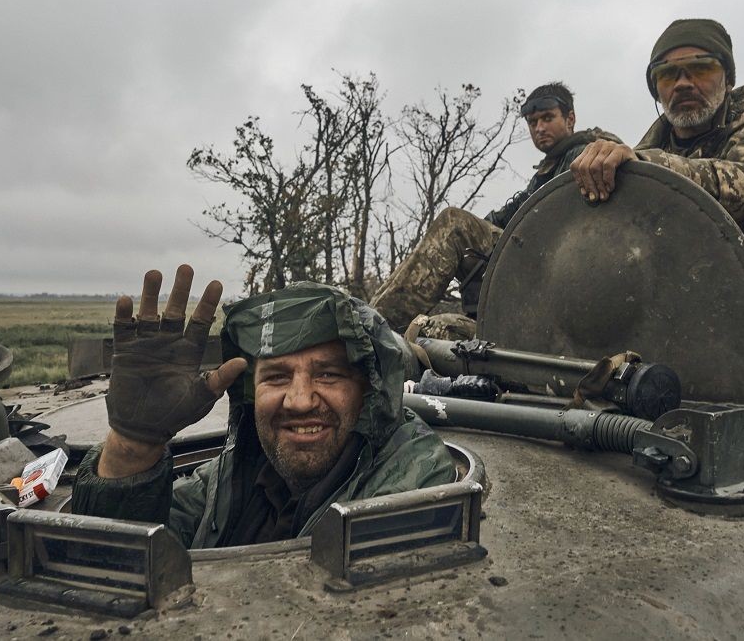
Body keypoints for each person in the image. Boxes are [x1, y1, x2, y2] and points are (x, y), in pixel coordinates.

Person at [569, 18, 744, 407]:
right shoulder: (644, 154)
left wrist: (651, 169)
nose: (683, 82)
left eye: (701, 68)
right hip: (661, 334)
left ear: (729, 78)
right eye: (668, 74)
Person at [72, 264, 457, 548]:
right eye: (276, 377)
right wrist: (133, 443)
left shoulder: (411, 476)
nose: (300, 400)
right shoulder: (230, 477)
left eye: (328, 375)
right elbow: (113, 556)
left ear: (368, 392)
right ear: (250, 392)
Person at [370, 82, 621, 331]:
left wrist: (466, 231)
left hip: (559, 270)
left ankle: (373, 329)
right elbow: (504, 217)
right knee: (438, 327)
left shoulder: (585, 156)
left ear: (570, 119)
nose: (539, 128)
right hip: (533, 266)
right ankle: (371, 315)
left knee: (454, 225)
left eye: (547, 118)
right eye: (533, 123)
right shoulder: (547, 171)